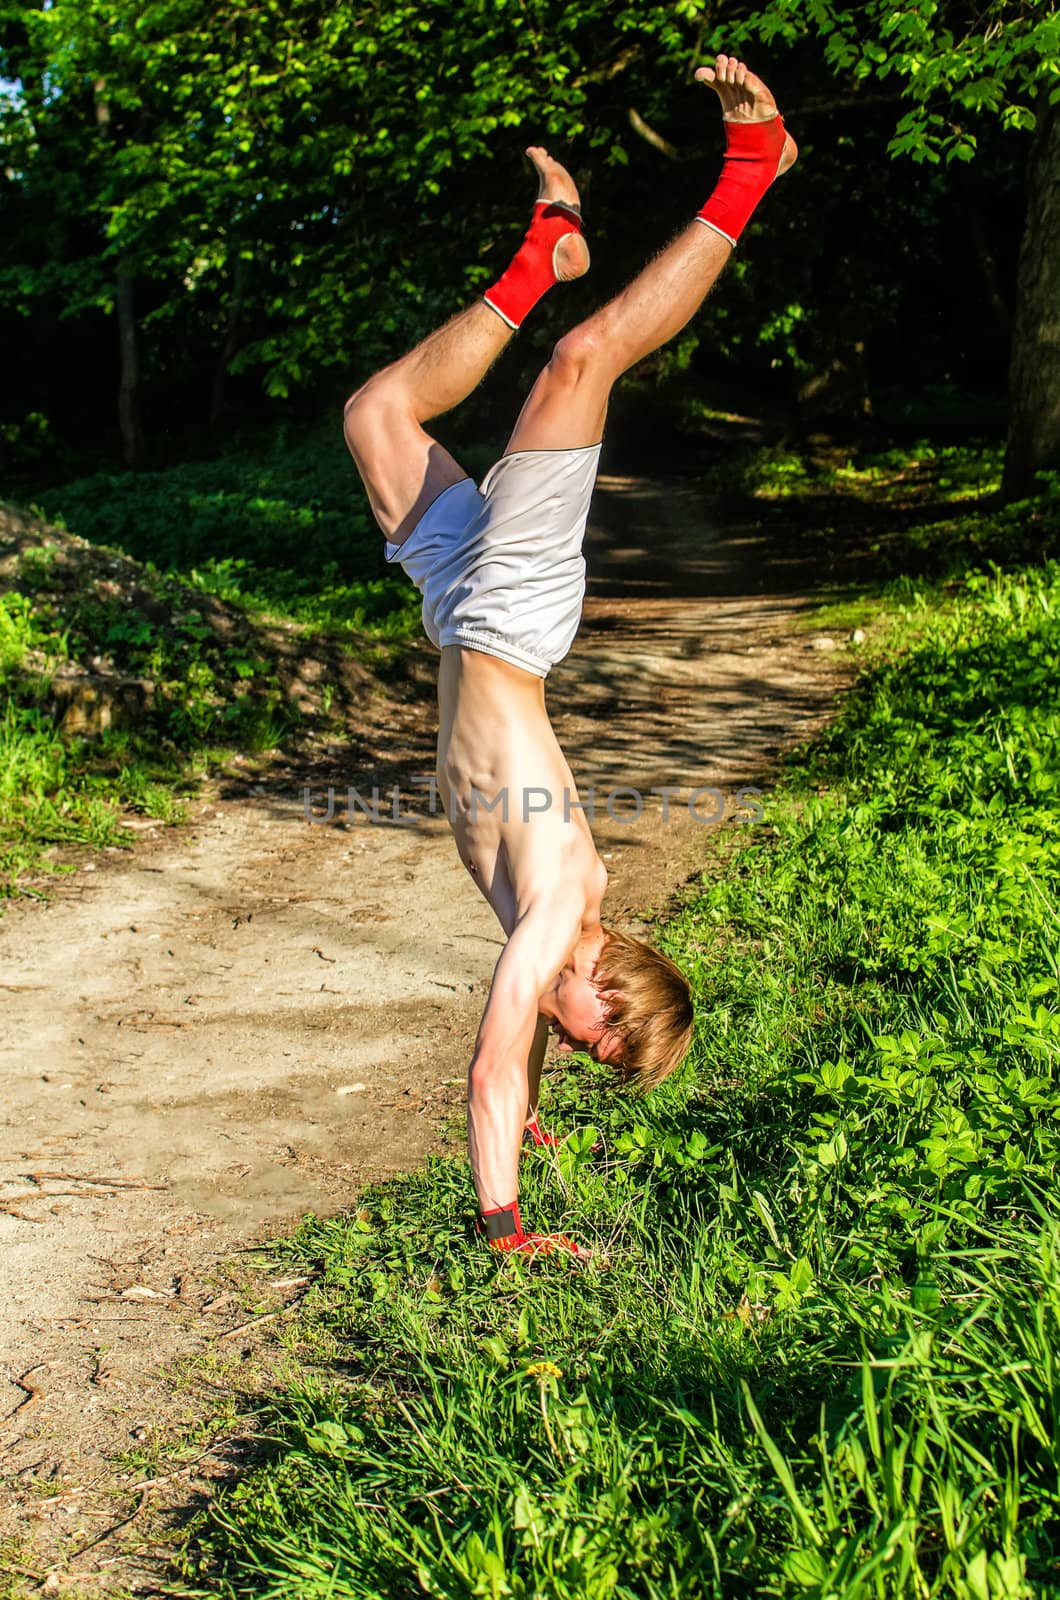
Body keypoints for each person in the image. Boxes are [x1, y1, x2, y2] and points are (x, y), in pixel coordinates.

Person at [343, 54, 797, 1257]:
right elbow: (494, 1062)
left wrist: (540, 1109)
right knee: (582, 361)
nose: (564, 1022)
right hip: (514, 617)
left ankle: (544, 250)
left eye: (579, 1045)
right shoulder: (556, 919)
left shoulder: (560, 932)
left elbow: (523, 1047)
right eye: (595, 1029)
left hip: (458, 610)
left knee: (377, 418)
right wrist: (508, 1226)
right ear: (615, 975)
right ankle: (754, 172)